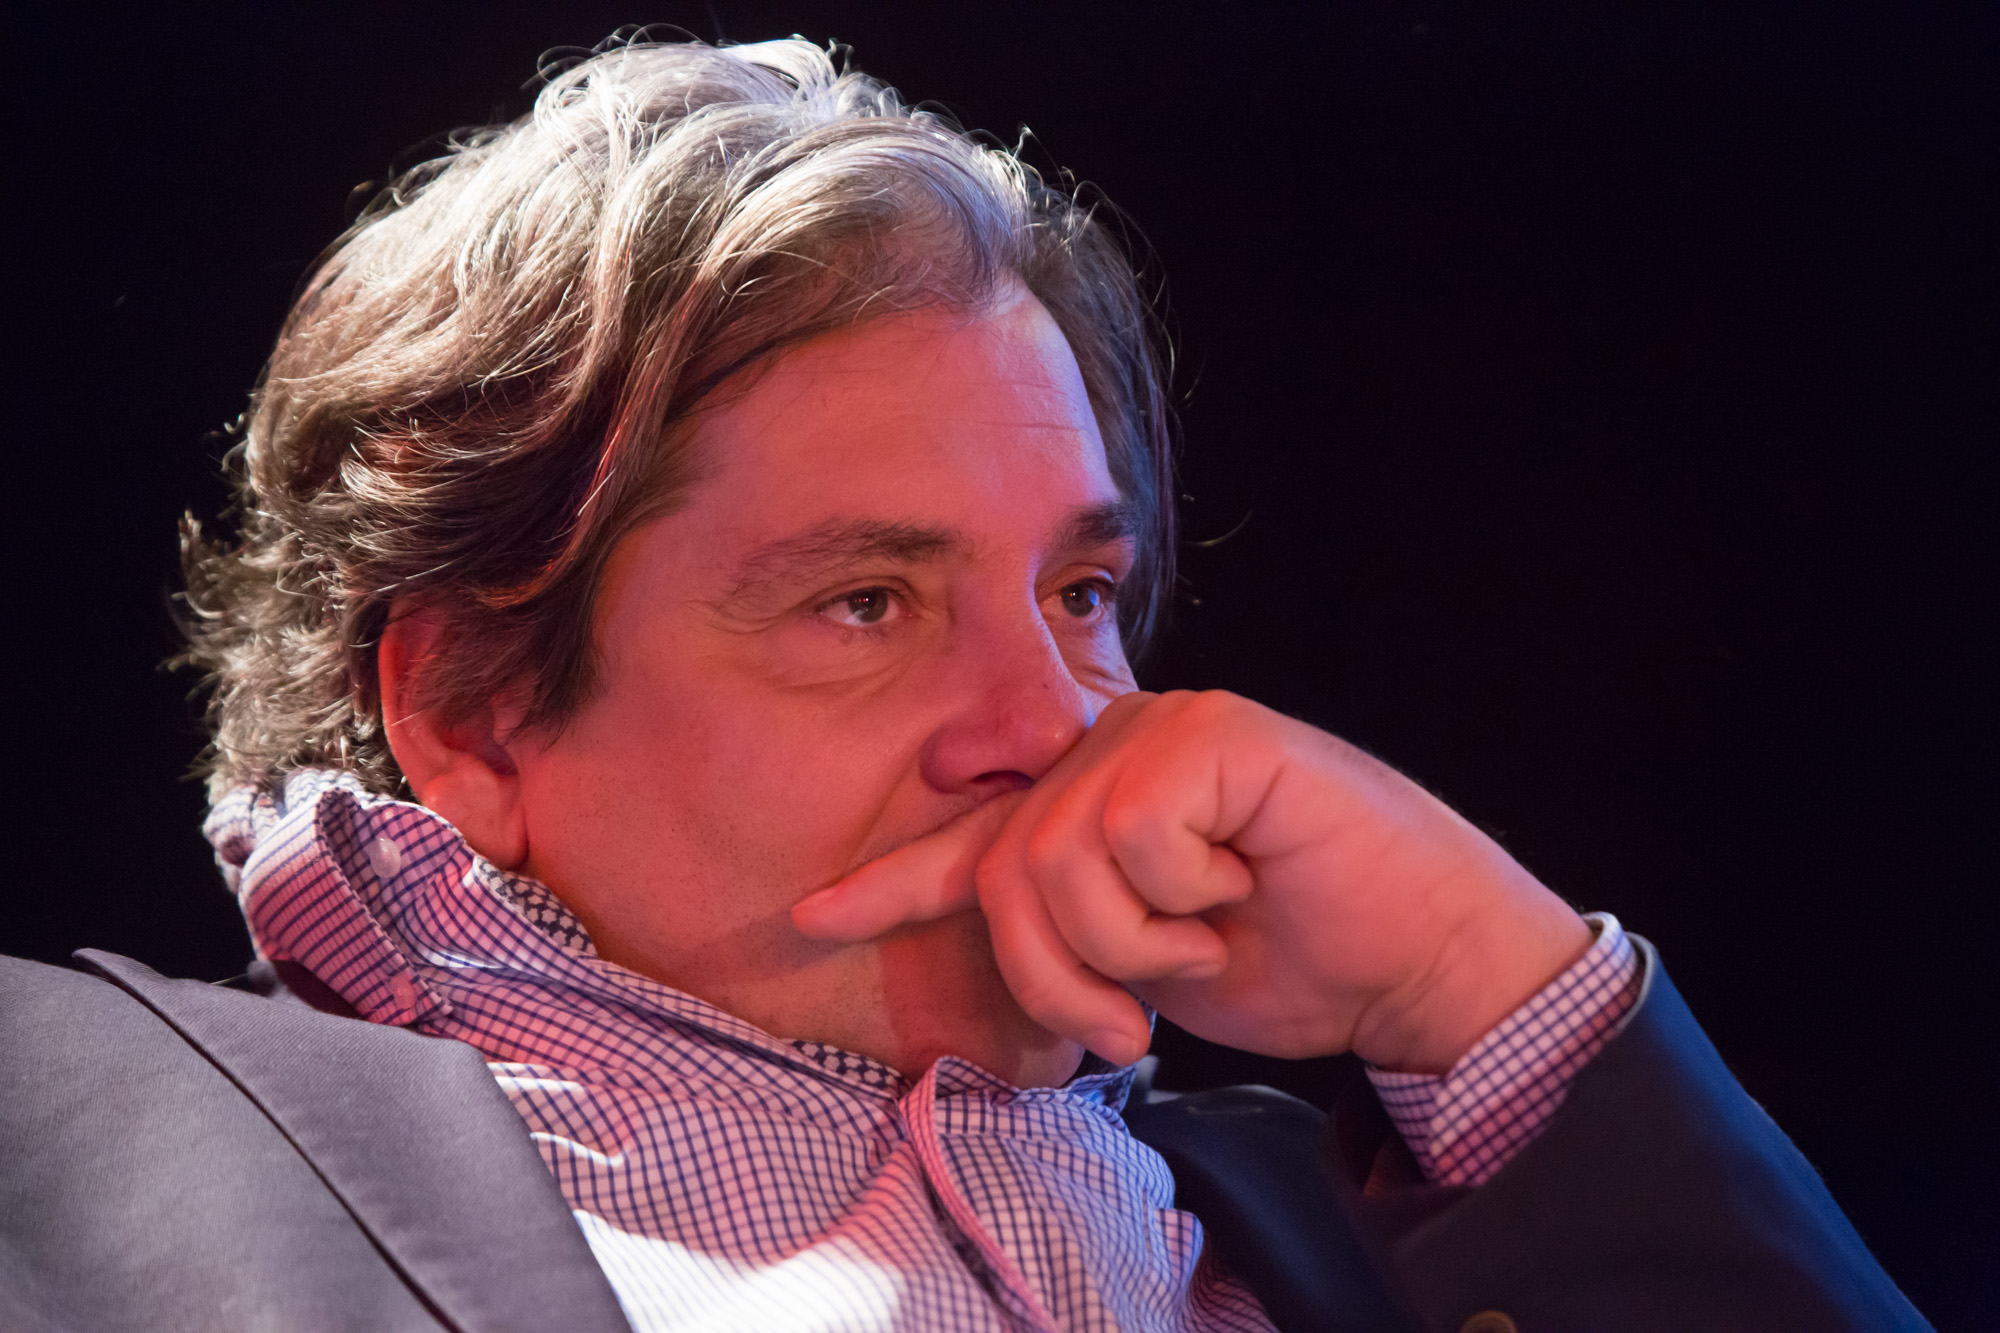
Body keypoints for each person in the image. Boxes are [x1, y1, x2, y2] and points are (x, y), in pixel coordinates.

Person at [0, 35, 1924, 1333]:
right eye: (865, 602)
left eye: (1081, 591)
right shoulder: (62, 1140)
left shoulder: (1338, 1233)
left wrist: (1475, 982)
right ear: (476, 711)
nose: (1055, 720)